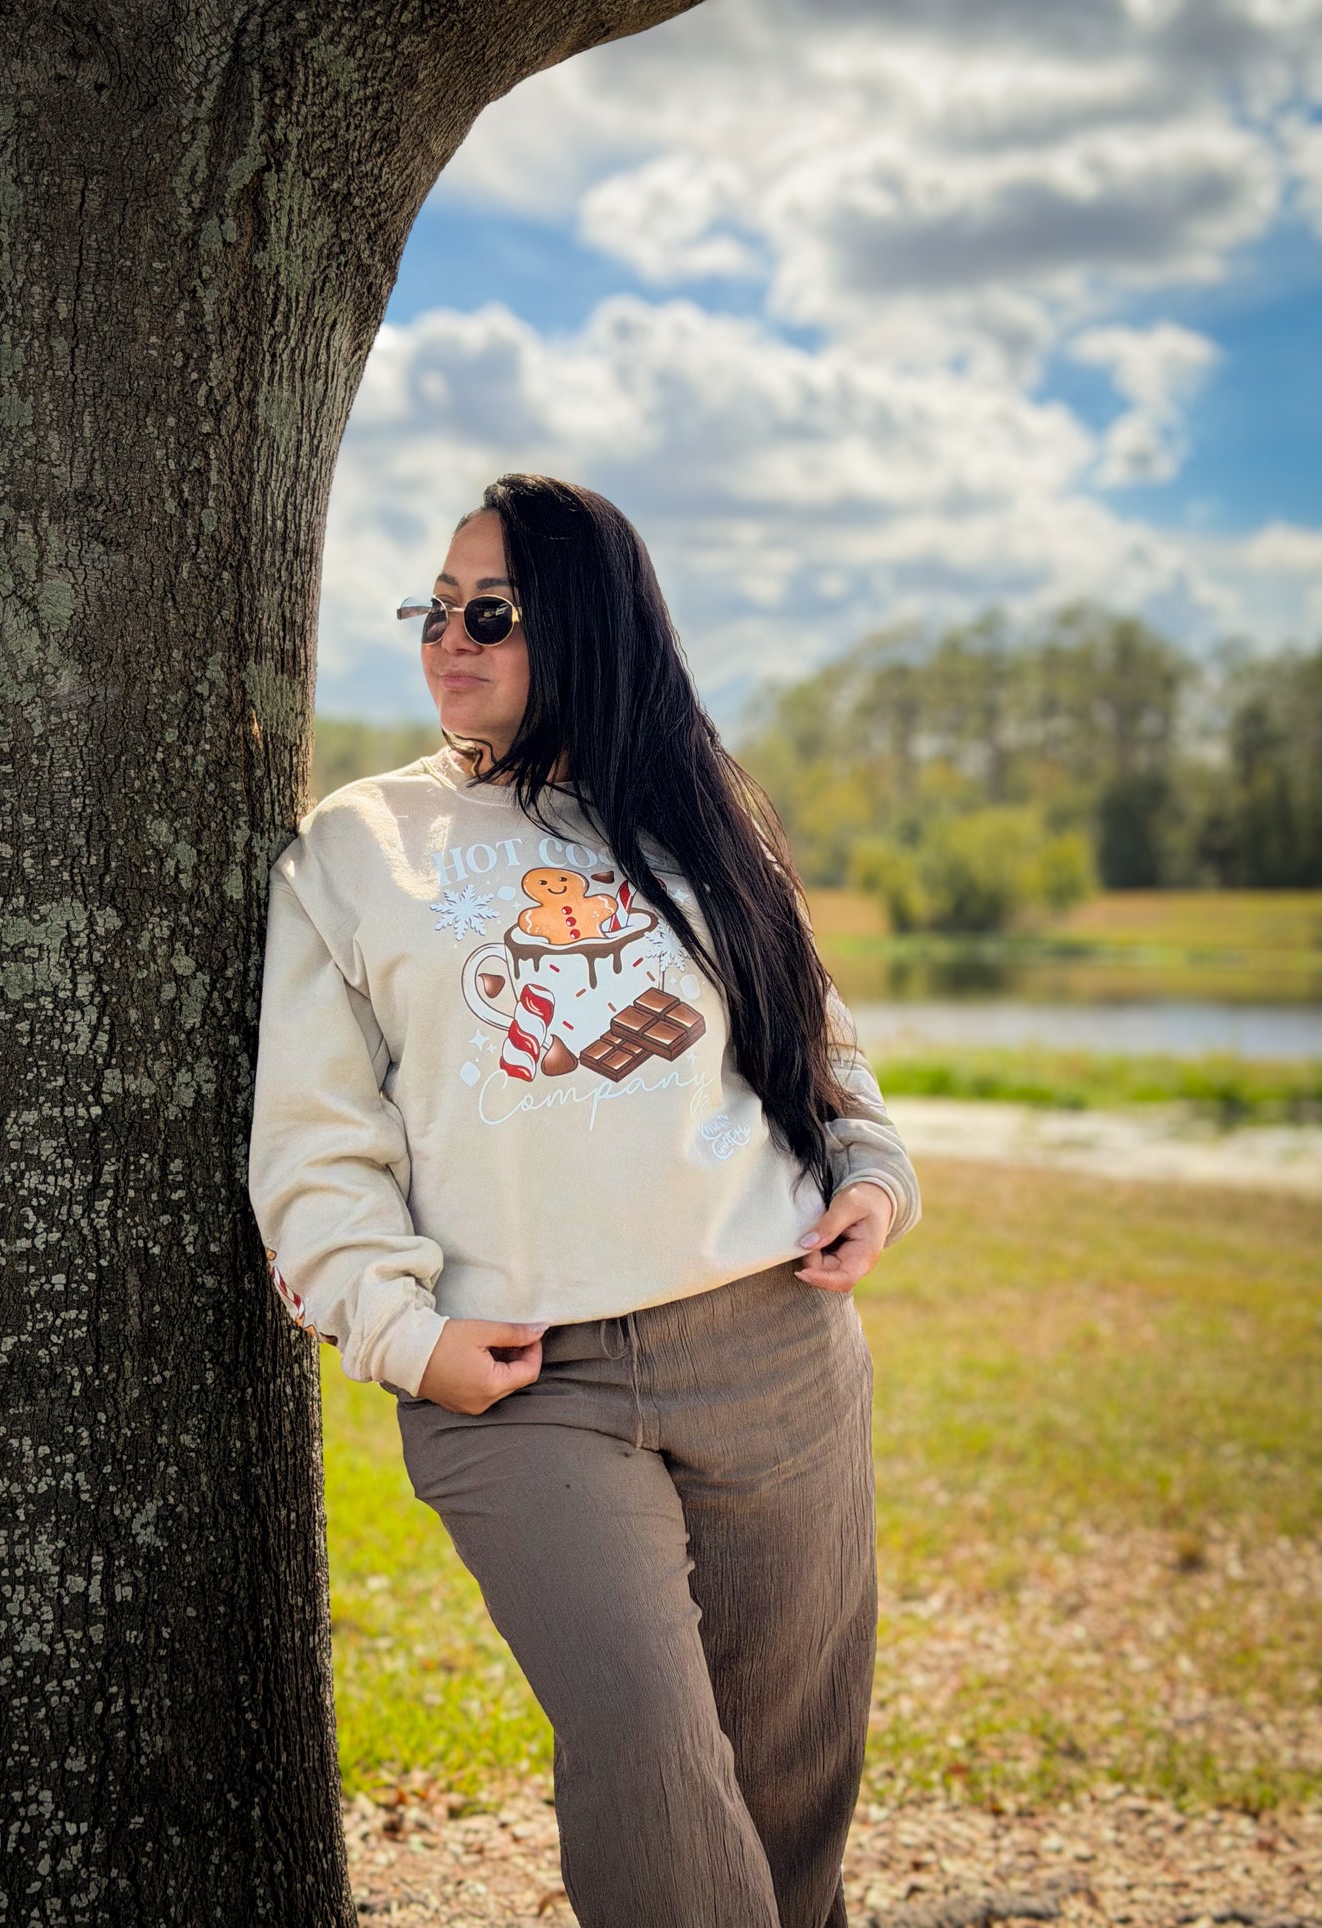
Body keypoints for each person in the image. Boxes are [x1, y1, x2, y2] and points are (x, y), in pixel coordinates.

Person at [247, 473, 922, 1928]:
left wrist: (870, 1171)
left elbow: (810, 1039)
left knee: (788, 1771)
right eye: (431, 609)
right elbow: (311, 1137)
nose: (448, 639)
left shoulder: (695, 815)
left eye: (489, 611)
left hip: (771, 1344)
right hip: (526, 1383)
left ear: (588, 625)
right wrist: (395, 1332)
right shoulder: (355, 850)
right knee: (653, 1767)